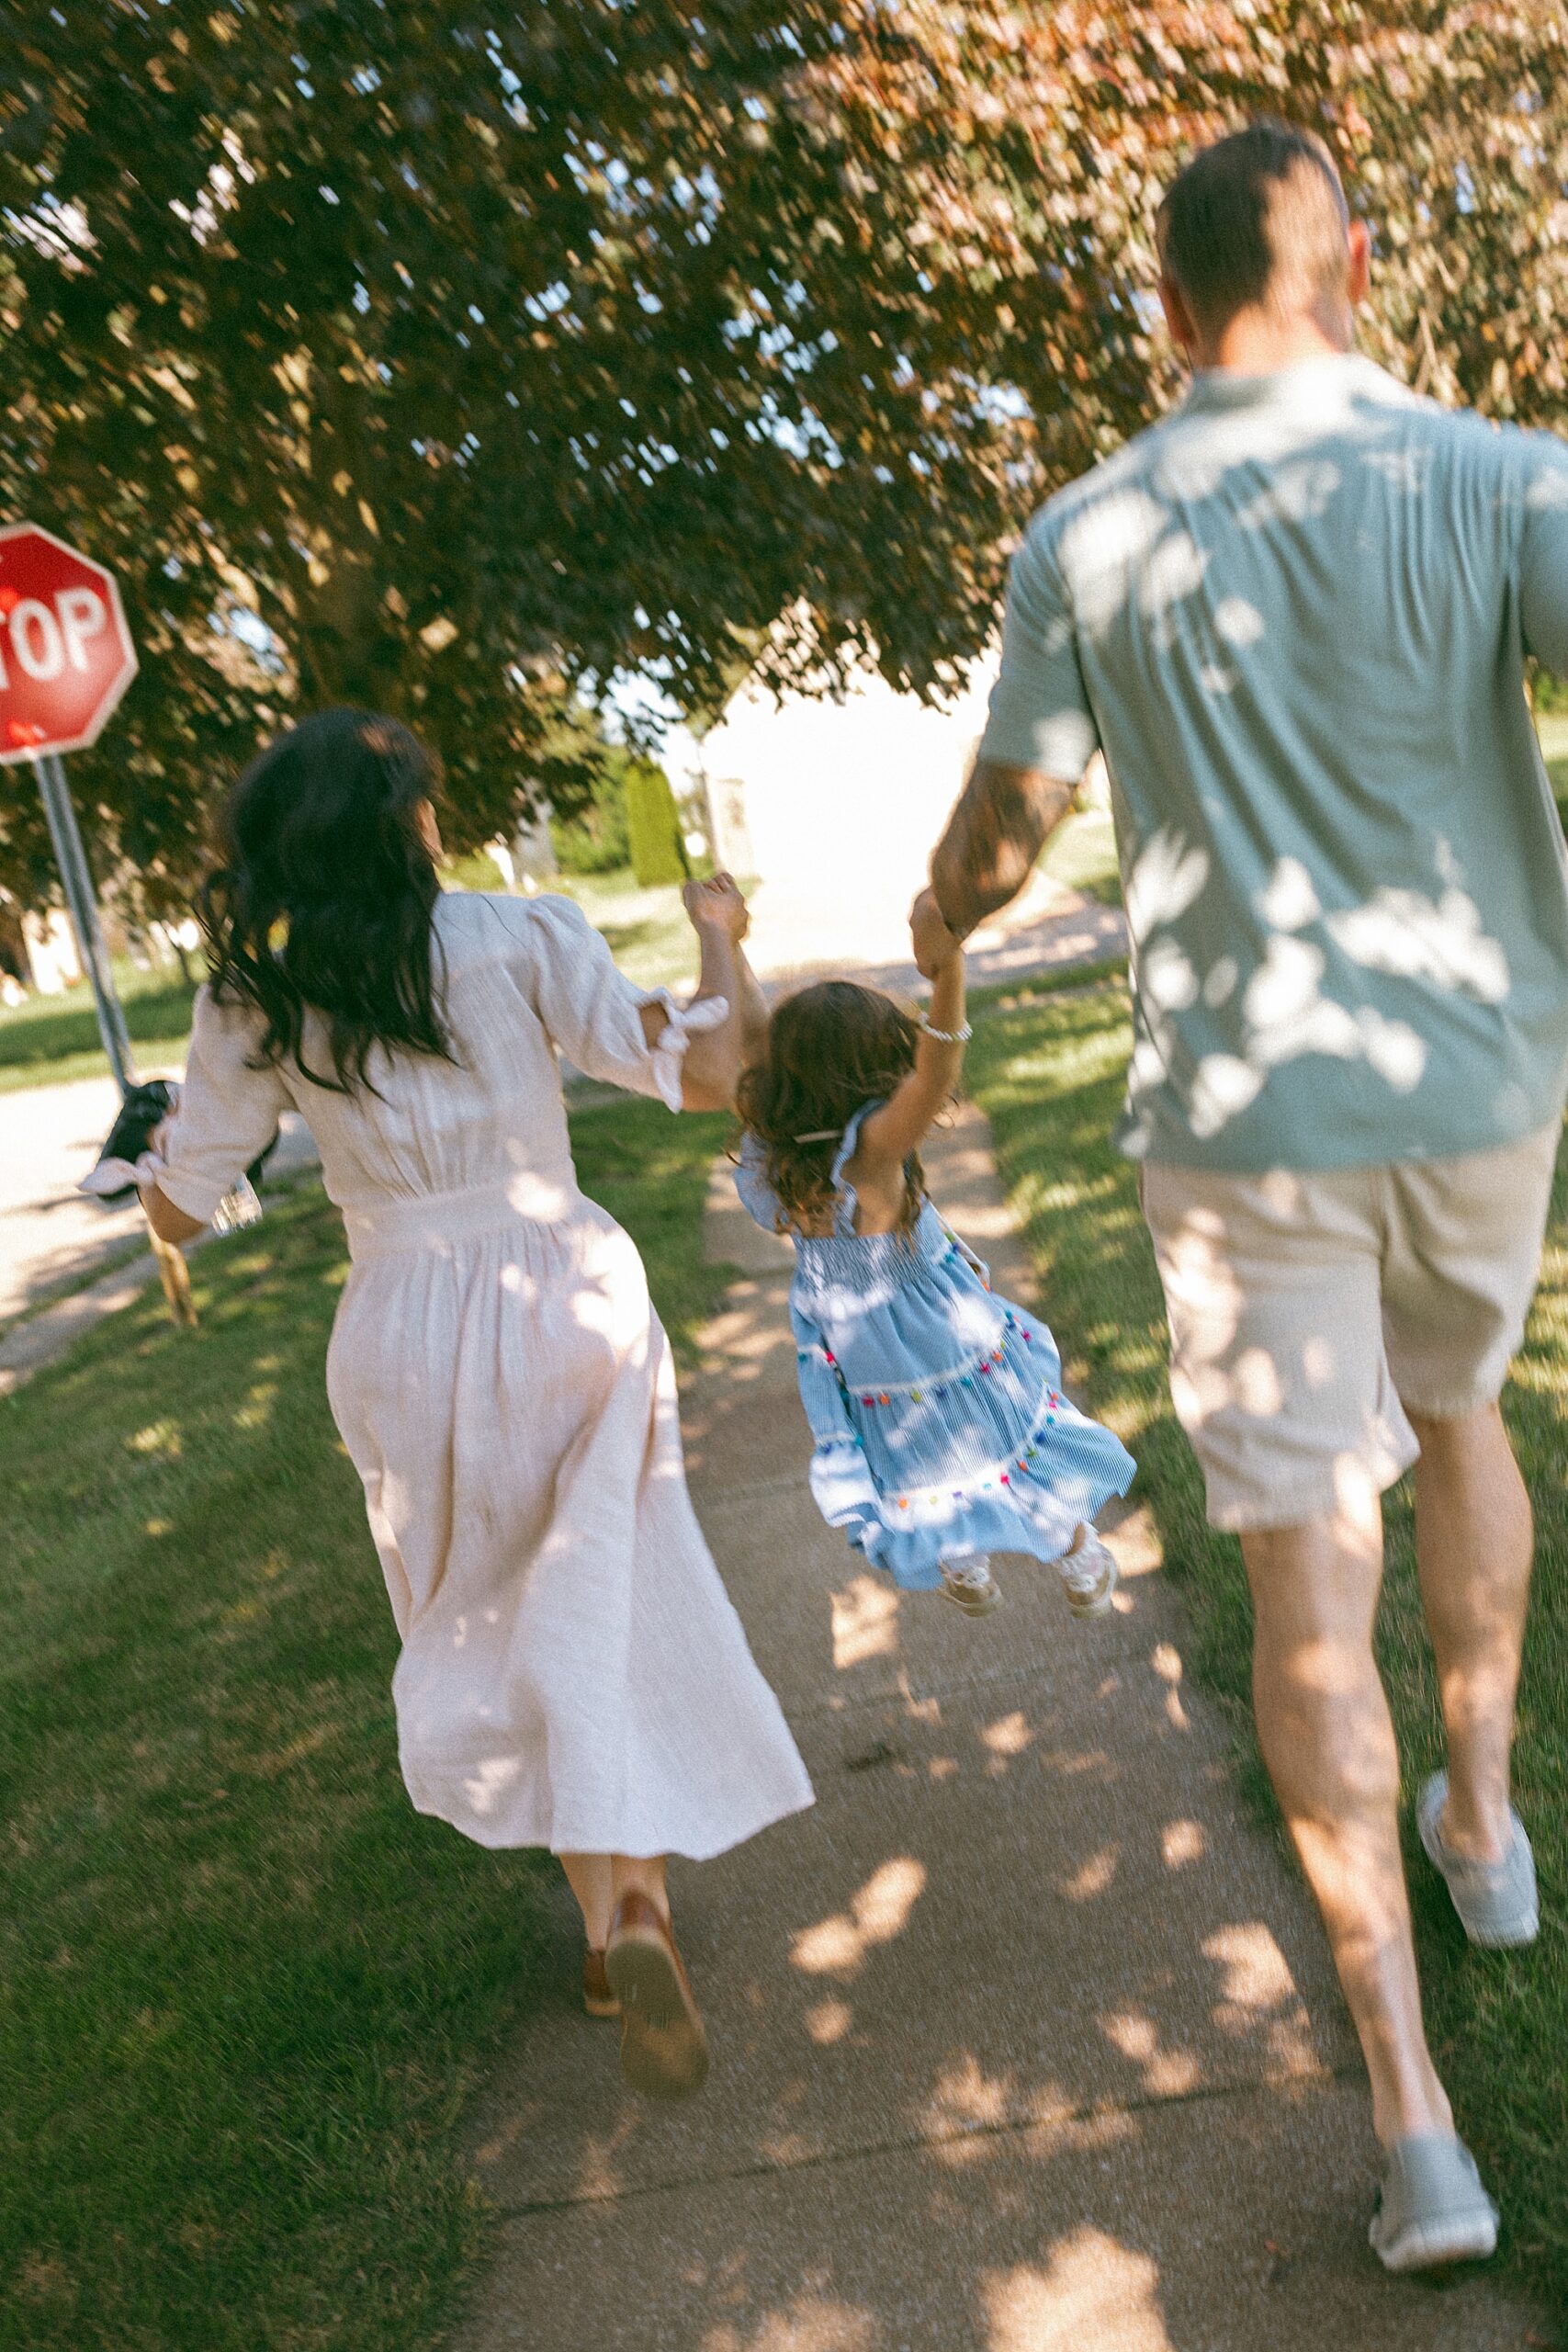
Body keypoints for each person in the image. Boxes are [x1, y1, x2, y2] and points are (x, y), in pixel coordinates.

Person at [922, 119, 1568, 2270]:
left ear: (1160, 306)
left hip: (1233, 1113)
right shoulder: (1500, 475)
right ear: (1353, 266)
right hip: (1471, 1076)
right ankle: (1480, 1813)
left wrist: (935, 918)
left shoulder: (1086, 534)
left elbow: (1001, 840)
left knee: (1305, 1577)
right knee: (1458, 1415)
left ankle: (1411, 2128)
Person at [138, 708, 812, 2100]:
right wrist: (718, 937)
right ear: (406, 826)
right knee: (600, 1592)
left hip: (397, 1325)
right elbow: (702, 1078)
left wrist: (156, 1184)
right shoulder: (517, 934)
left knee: (496, 1613)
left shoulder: (254, 1000)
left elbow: (184, 1201)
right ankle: (635, 1905)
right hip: (567, 1289)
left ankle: (609, 1916)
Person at [732, 891, 1134, 1618]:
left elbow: (752, 1039)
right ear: (875, 1066)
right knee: (1005, 1445)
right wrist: (947, 965)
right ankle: (1079, 1557)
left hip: (861, 1350)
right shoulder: (873, 1152)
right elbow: (938, 1071)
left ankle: (961, 1562)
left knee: (917, 1453)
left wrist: (724, 942)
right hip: (934, 1331)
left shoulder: (771, 1149)